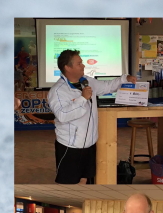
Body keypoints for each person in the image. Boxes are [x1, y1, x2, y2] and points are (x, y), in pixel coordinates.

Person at [49, 50, 136, 184]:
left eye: (82, 63)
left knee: (85, 180)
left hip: (89, 144)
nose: (83, 66)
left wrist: (124, 79)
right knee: (68, 185)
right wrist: (82, 98)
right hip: (70, 146)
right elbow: (62, 115)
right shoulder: (58, 91)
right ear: (67, 67)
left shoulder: (87, 81)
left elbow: (107, 86)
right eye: (79, 63)